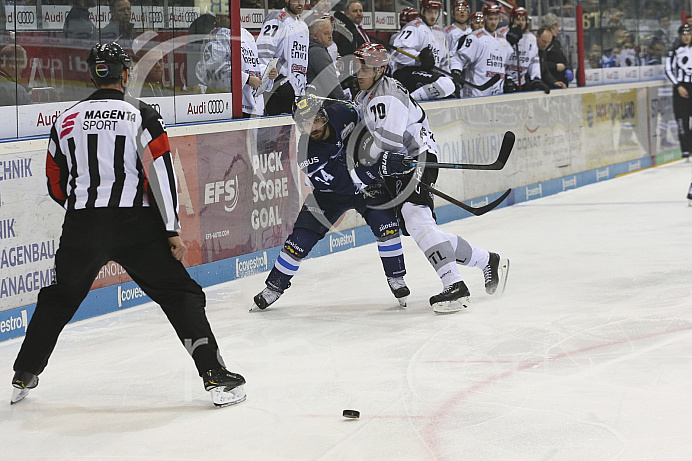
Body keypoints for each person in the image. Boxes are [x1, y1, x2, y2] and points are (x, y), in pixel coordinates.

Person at [10, 42, 246, 408]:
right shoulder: (141, 114)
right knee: (179, 294)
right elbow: (162, 174)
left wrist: (82, 212)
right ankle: (215, 376)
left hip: (82, 224)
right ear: (126, 74)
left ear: (92, 74)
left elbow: (55, 182)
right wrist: (170, 227)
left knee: (59, 298)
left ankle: (24, 373)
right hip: (136, 223)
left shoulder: (65, 119)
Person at [351, 43, 509, 314]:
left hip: (416, 157)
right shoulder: (366, 95)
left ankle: (455, 286)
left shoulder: (387, 95)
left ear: (381, 70)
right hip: (400, 163)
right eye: (358, 66)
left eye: (365, 67)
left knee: (417, 219)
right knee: (421, 228)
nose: (359, 72)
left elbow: (388, 143)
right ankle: (487, 260)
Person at [252, 96, 409, 310]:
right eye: (305, 124)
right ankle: (273, 287)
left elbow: (368, 117)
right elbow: (345, 184)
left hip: (365, 185)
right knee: (299, 241)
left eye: (315, 120)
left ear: (324, 115)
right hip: (330, 194)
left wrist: (384, 153)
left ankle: (396, 278)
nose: (312, 128)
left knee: (387, 226)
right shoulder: (306, 153)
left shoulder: (343, 112)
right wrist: (378, 168)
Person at [195, 27, 278, 117]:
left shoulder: (246, 34)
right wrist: (247, 79)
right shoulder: (217, 35)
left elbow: (253, 65)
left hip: (252, 106)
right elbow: (215, 72)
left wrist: (267, 72)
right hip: (228, 106)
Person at [389, 0, 455, 101]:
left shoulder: (439, 33)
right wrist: (419, 57)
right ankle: (411, 100)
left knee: (448, 85)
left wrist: (448, 77)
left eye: (435, 12)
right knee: (446, 85)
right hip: (406, 73)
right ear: (422, 11)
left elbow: (443, 62)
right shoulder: (414, 26)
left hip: (427, 73)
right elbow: (397, 53)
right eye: (429, 12)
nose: (433, 16)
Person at [256, 0, 310, 115]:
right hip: (278, 92)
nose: (300, 3)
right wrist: (272, 79)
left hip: (298, 93)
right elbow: (263, 52)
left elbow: (302, 61)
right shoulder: (277, 19)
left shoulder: (303, 25)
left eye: (303, 0)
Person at [450, 3, 513, 97]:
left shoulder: (502, 39)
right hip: (476, 92)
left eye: (496, 19)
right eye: (491, 19)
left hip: (497, 91)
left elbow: (505, 63)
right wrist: (456, 72)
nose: (493, 22)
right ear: (485, 18)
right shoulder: (475, 37)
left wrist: (508, 77)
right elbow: (459, 58)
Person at [500, 7, 547, 93]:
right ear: (512, 20)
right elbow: (499, 57)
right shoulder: (501, 34)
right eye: (518, 19)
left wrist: (536, 78)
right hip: (503, 81)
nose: (521, 22)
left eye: (523, 20)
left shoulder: (531, 38)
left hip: (522, 82)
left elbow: (534, 61)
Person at [666, 24, 692, 162]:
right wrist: (678, 85)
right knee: (682, 121)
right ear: (680, 36)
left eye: (689, 34)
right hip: (681, 87)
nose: (687, 36)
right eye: (684, 34)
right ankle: (686, 151)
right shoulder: (674, 51)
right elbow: (668, 70)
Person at [333, 1, 369, 96]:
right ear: (347, 14)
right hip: (355, 77)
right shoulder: (346, 33)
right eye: (355, 11)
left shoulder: (360, 30)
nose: (359, 13)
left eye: (360, 11)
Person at [307, 18, 346, 100]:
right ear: (314, 36)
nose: (330, 36)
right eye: (326, 33)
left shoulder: (314, 49)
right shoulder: (317, 52)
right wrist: (344, 100)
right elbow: (330, 82)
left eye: (331, 33)